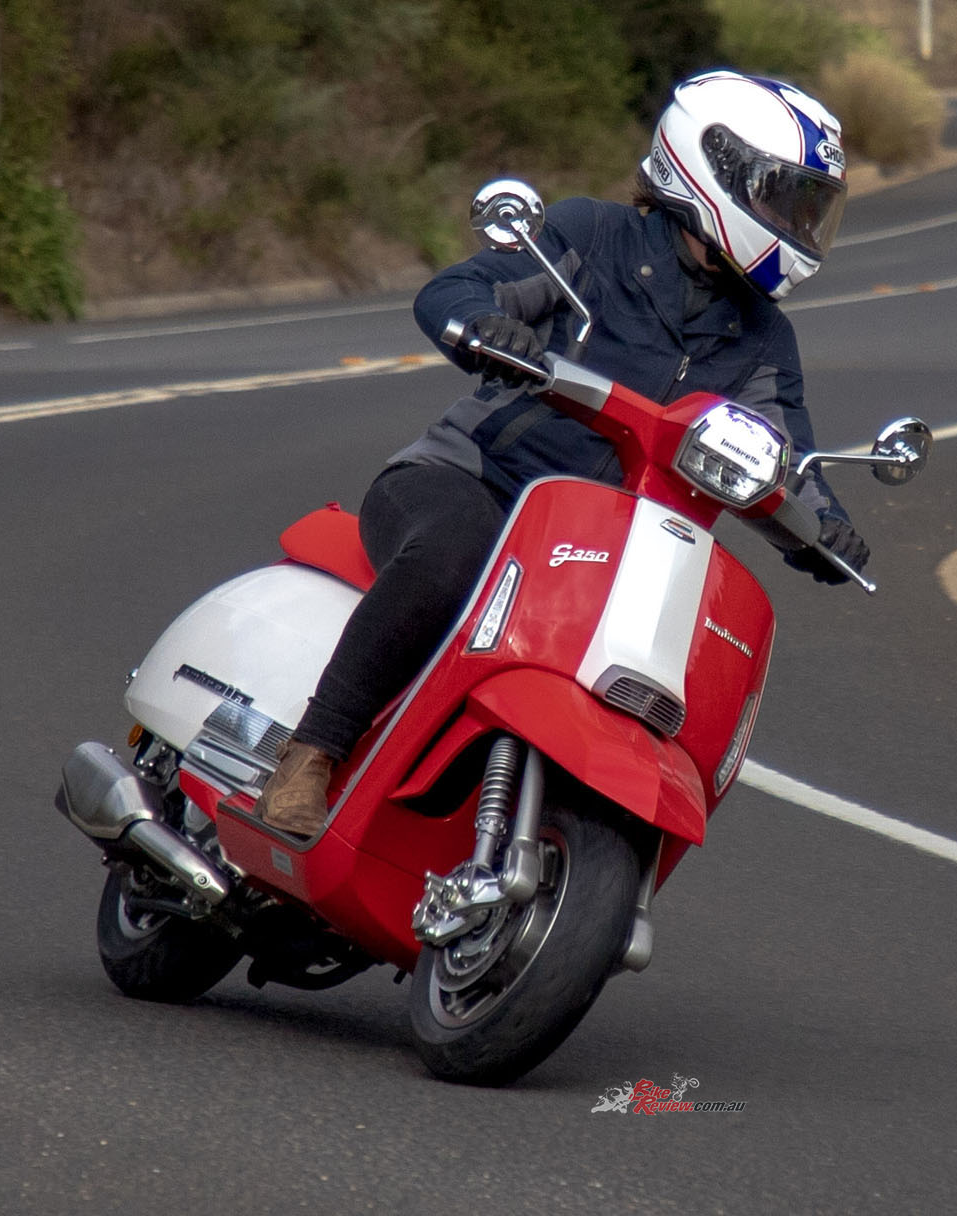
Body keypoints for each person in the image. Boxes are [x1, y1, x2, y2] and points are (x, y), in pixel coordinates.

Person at [255, 69, 869, 837]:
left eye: (808, 207)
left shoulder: (762, 338)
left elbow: (786, 456)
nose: (796, 222)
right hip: (471, 480)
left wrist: (826, 527)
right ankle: (310, 753)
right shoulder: (591, 236)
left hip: (603, 550)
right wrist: (484, 324)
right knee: (452, 555)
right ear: (711, 165)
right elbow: (459, 289)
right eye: (783, 199)